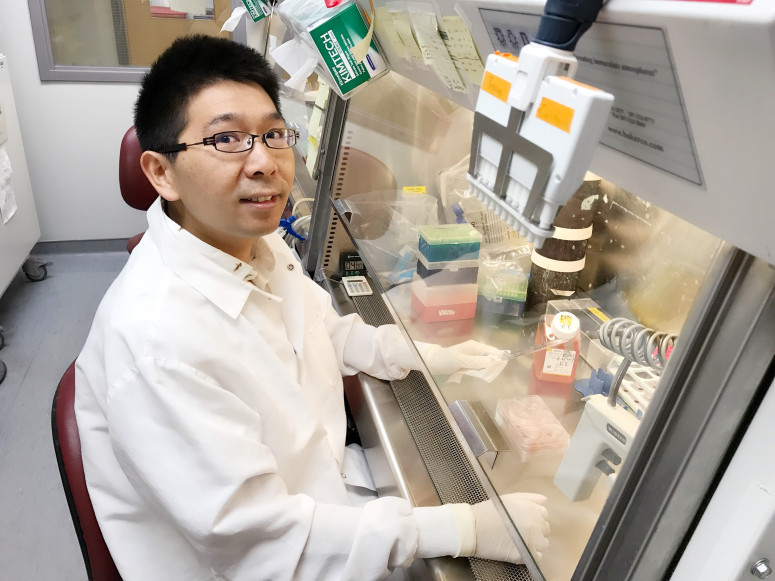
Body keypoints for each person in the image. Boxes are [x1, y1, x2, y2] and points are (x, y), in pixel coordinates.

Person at [74, 34, 550, 581]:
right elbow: (265, 546)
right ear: (161, 172)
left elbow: (324, 331)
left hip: (321, 492)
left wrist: (426, 354)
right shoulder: (159, 341)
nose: (264, 163)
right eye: (226, 139)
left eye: (274, 134)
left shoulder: (251, 242)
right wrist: (463, 528)